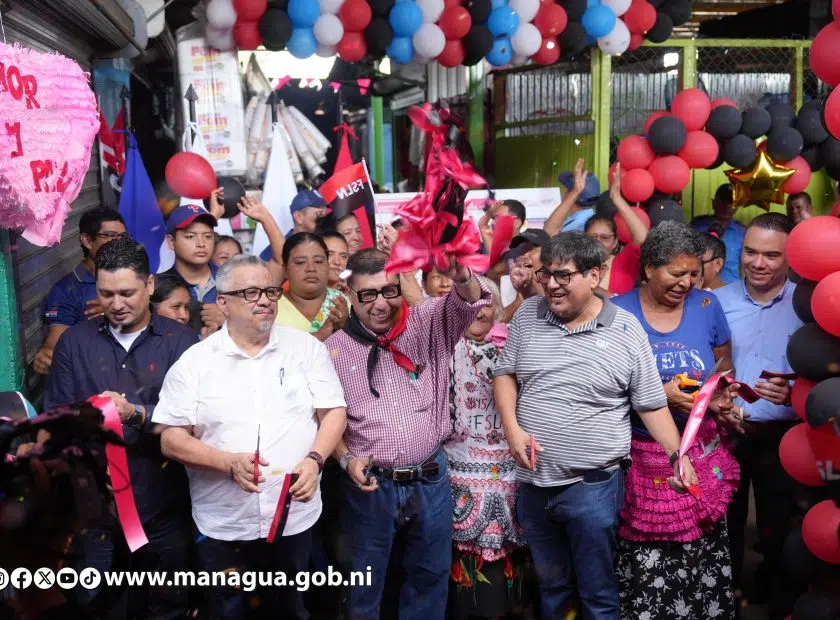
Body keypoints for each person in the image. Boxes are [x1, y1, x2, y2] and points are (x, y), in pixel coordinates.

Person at [493, 232, 696, 619]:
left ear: (594, 275)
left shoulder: (626, 330)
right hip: (534, 485)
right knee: (551, 588)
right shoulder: (527, 315)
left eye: (564, 275)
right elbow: (505, 373)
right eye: (546, 274)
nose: (552, 285)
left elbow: (651, 404)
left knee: (597, 593)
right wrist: (512, 429)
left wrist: (678, 456)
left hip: (592, 488)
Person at [154, 255, 347, 620]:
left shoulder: (306, 349)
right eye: (251, 293)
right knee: (228, 611)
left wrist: (316, 459)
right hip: (225, 523)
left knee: (291, 610)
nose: (265, 300)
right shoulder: (195, 363)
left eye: (271, 291)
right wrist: (225, 462)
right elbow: (171, 438)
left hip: (293, 516)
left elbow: (333, 411)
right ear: (223, 302)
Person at [326, 249, 490, 620]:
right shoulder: (331, 350)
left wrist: (461, 274)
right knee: (364, 584)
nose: (381, 303)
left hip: (430, 478)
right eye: (368, 294)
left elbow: (471, 300)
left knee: (429, 578)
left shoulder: (426, 322)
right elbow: (324, 419)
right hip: (371, 486)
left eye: (389, 291)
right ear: (349, 294)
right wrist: (346, 459)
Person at [43, 237, 196, 619]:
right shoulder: (74, 343)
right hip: (97, 514)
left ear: (149, 285)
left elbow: (194, 418)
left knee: (167, 607)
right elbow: (56, 418)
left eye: (126, 293)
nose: (115, 304)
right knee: (98, 607)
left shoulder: (181, 342)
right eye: (106, 293)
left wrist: (135, 413)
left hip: (164, 506)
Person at [612, 221, 740, 620]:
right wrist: (656, 396)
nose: (686, 282)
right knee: (650, 562)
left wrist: (721, 398)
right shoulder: (618, 313)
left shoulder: (707, 306)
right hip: (642, 459)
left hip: (701, 454)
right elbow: (602, 389)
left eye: (693, 273)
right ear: (649, 267)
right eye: (676, 273)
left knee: (702, 559)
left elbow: (723, 367)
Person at [715, 213, 803, 618]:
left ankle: (777, 603)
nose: (758, 262)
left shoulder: (808, 305)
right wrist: (718, 397)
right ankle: (725, 603)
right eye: (750, 252)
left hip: (787, 437)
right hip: (727, 432)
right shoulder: (716, 302)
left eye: (771, 255)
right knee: (724, 529)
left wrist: (795, 393)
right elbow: (704, 365)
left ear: (790, 256)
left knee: (779, 529)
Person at [444, 277, 526, 620]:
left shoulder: (515, 349)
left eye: (487, 302)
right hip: (457, 480)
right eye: (470, 303)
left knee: (505, 579)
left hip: (510, 480)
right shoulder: (442, 350)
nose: (479, 310)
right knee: (462, 579)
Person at [33, 207, 127, 375]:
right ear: (87, 241)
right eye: (110, 236)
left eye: (122, 237)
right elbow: (55, 342)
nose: (119, 243)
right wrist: (48, 354)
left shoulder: (134, 277)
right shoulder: (67, 290)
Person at [583, 166, 648, 296]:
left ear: (615, 242)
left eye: (605, 237)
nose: (598, 242)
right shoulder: (574, 265)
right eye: (593, 237)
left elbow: (643, 239)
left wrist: (616, 198)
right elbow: (548, 233)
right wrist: (574, 193)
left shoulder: (622, 264)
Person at [163, 204, 225, 335]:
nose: (201, 244)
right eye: (190, 236)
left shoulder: (233, 279)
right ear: (171, 241)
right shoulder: (159, 287)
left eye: (208, 236)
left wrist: (230, 319)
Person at [275, 232, 350, 341]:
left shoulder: (342, 303)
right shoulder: (271, 306)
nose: (311, 268)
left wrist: (347, 328)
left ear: (327, 266)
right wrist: (317, 338)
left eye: (318, 261)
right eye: (300, 262)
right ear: (285, 270)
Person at [691, 184, 746, 284]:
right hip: (699, 286)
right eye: (722, 202)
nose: (726, 206)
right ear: (713, 203)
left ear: (737, 207)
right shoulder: (697, 226)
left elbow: (745, 266)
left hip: (730, 287)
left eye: (731, 203)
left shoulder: (742, 232)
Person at [543, 158, 601, 234]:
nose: (562, 191)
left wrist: (574, 192)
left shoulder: (574, 227)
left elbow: (548, 233)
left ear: (569, 193)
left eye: (564, 188)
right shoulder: (591, 216)